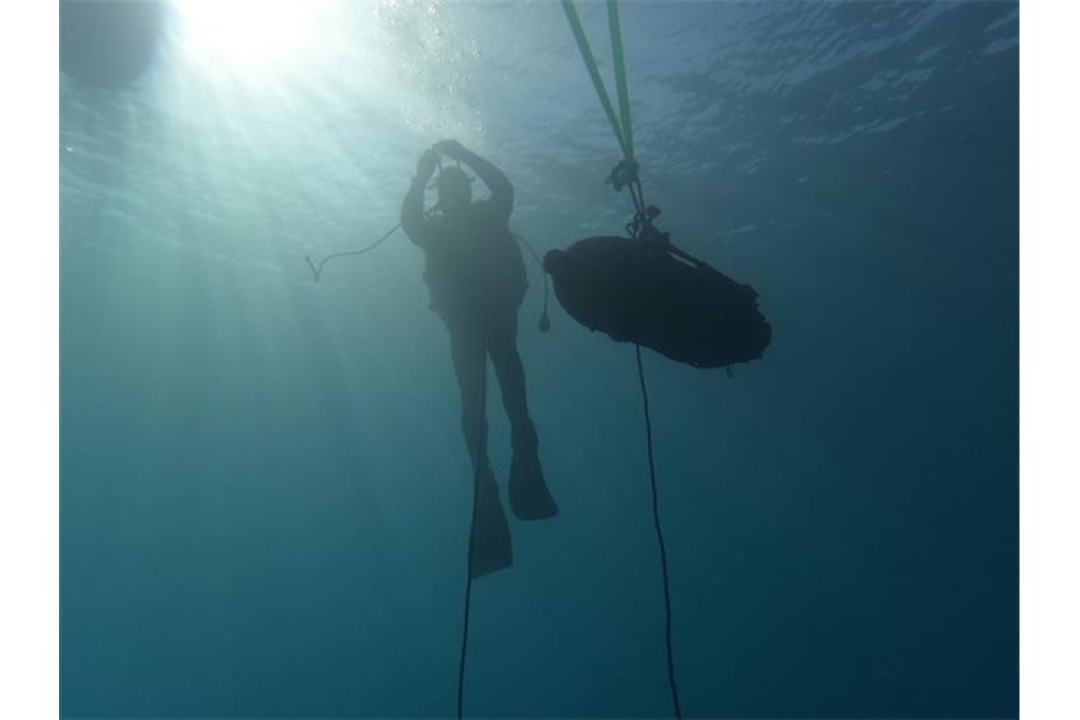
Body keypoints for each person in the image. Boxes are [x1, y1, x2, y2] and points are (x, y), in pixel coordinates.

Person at [401, 139, 558, 579]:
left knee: (499, 399)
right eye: (450, 190)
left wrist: (433, 167)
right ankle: (493, 471)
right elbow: (412, 220)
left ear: (461, 193)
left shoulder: (481, 219)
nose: (454, 196)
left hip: (481, 325)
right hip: (478, 326)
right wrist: (431, 168)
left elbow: (501, 189)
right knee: (489, 401)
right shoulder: (466, 223)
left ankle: (506, 463)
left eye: (457, 189)